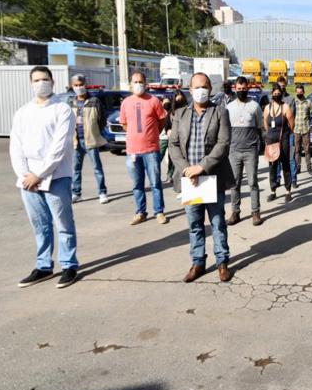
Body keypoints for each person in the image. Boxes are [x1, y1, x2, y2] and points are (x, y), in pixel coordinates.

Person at [10, 66, 79, 288]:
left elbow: (58, 148)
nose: (41, 83)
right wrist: (25, 175)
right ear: (31, 84)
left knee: (63, 224)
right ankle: (43, 266)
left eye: (45, 79)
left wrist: (39, 174)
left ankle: (69, 265)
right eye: (37, 80)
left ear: (52, 82)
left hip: (56, 177)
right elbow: (15, 147)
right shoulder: (22, 113)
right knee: (40, 225)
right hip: (28, 181)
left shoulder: (62, 110)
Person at [169, 73, 235, 283]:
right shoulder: (180, 114)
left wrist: (201, 167)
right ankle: (198, 262)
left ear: (210, 88)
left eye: (204, 86)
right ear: (190, 90)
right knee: (195, 224)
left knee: (217, 222)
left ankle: (222, 262)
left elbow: (223, 144)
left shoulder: (220, 113)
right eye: (197, 87)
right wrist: (187, 169)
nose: (201, 90)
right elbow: (174, 145)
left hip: (211, 177)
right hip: (190, 179)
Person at [119, 71, 167, 225]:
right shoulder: (126, 102)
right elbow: (124, 123)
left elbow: (162, 120)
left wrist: (153, 134)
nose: (138, 85)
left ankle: (159, 211)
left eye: (141, 82)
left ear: (146, 84)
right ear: (130, 85)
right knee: (137, 184)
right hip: (133, 151)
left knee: (155, 183)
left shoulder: (154, 101)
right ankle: (141, 212)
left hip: (151, 150)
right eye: (135, 82)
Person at [226, 76, 264, 227]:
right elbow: (225, 129)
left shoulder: (255, 106)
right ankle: (235, 212)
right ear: (235, 89)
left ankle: (255, 212)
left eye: (244, 89)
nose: (241, 91)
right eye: (239, 89)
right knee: (234, 183)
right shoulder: (229, 107)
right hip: (234, 151)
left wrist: (261, 147)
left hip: (250, 151)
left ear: (248, 88)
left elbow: (260, 127)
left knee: (253, 182)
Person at [68, 74, 108, 204]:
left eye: (81, 85)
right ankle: (76, 193)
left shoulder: (94, 101)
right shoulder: (71, 102)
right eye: (76, 85)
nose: (79, 87)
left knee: (97, 168)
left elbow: (102, 119)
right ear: (72, 86)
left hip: (90, 140)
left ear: (85, 85)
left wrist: (96, 132)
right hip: (76, 141)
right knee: (76, 169)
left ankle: (102, 192)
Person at [263, 83, 294, 202]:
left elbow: (292, 124)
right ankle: (273, 190)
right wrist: (270, 134)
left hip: (284, 140)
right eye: (274, 93)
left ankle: (288, 190)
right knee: (272, 166)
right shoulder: (267, 108)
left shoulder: (285, 107)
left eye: (278, 93)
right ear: (271, 94)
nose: (276, 95)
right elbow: (265, 124)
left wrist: (286, 134)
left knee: (285, 164)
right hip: (271, 140)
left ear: (281, 94)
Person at [293, 84, 312, 177]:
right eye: (297, 92)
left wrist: (307, 123)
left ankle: (309, 168)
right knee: (297, 150)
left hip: (305, 129)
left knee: (307, 150)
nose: (299, 94)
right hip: (296, 130)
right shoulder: (294, 102)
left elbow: (311, 115)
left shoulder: (308, 102)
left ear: (304, 92)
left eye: (300, 92)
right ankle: (298, 168)